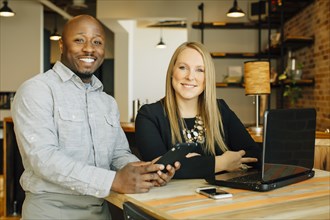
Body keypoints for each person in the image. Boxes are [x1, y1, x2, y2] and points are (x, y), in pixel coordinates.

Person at [11, 15, 179, 219]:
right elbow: (44, 159)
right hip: (51, 210)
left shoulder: (107, 102)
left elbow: (118, 154)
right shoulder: (36, 90)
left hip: (101, 209)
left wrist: (147, 172)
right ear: (62, 45)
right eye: (79, 40)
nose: (89, 49)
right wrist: (112, 181)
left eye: (97, 42)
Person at [135, 41, 261, 179]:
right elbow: (158, 169)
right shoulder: (148, 115)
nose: (190, 76)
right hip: (171, 199)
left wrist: (192, 163)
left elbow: (254, 155)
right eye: (183, 67)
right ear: (172, 72)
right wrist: (222, 163)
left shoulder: (220, 109)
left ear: (207, 78)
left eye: (200, 70)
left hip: (221, 197)